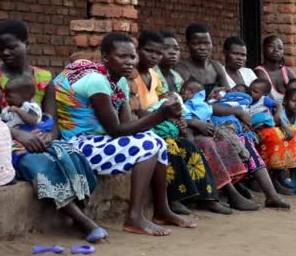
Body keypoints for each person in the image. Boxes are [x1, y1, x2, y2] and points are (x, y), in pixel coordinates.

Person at [54, 32, 196, 236]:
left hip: (100, 141)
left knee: (157, 141)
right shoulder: (97, 81)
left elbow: (128, 125)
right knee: (148, 145)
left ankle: (162, 210)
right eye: (122, 57)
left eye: (132, 57)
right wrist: (161, 114)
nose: (129, 62)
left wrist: (160, 117)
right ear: (105, 58)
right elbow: (116, 129)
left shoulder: (119, 81)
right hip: (79, 145)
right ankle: (134, 217)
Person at [0, 19, 105, 243]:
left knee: (70, 154)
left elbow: (52, 119)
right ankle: (82, 221)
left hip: (39, 137)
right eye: (0, 47)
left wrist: (50, 136)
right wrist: (18, 134)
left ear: (28, 44)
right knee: (36, 165)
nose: (5, 52)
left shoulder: (44, 79)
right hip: (6, 139)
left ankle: (81, 207)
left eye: (12, 46)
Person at [129, 30, 232, 215]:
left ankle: (207, 196)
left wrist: (177, 118)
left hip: (159, 122)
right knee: (170, 147)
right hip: (142, 126)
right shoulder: (131, 75)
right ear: (138, 50)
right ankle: (173, 200)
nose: (154, 56)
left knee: (189, 146)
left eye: (158, 52)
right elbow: (135, 109)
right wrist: (164, 115)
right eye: (148, 51)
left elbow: (163, 100)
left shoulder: (154, 75)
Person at [174, 23, 231, 97]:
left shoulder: (216, 66)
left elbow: (228, 92)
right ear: (187, 45)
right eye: (196, 44)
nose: (202, 48)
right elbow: (187, 98)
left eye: (207, 43)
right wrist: (211, 93)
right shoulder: (181, 69)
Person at [254, 35, 295, 105]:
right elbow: (271, 103)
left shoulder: (287, 72)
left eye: (280, 48)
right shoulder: (259, 72)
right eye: (271, 46)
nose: (276, 50)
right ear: (263, 49)